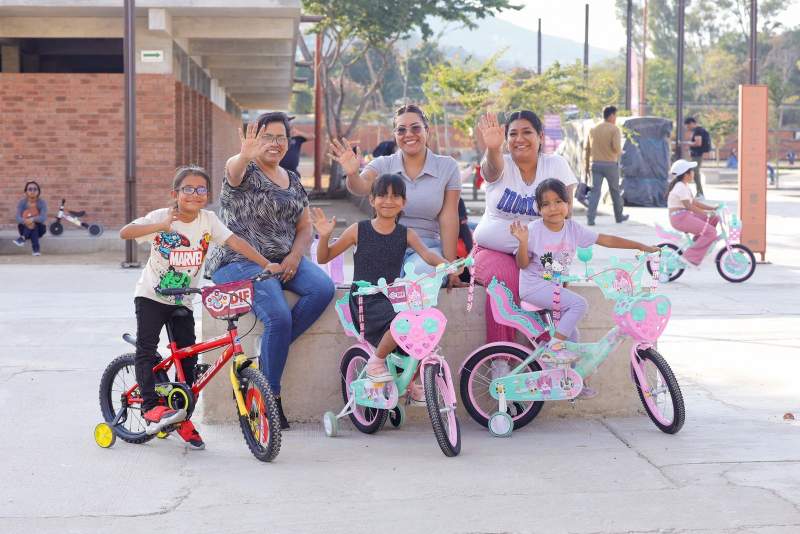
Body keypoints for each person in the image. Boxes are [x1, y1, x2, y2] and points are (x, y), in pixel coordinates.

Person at [120, 165, 280, 448]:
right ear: (175, 193)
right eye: (188, 189)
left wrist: (266, 264)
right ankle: (149, 406)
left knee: (188, 360)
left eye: (201, 189)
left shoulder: (208, 220)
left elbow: (235, 241)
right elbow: (126, 232)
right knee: (146, 348)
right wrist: (159, 226)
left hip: (183, 298)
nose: (195, 194)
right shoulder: (162, 217)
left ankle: (182, 419)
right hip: (152, 296)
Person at [206, 111, 335, 430]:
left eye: (281, 137)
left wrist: (294, 257)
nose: (275, 144)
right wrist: (243, 154)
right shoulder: (242, 170)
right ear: (254, 140)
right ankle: (269, 399)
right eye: (268, 136)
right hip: (238, 262)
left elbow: (305, 226)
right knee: (278, 315)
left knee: (323, 289)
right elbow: (232, 170)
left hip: (283, 259)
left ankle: (270, 345)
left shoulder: (292, 178)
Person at [511, 178, 658, 398]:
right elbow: (521, 264)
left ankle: (570, 383)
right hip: (534, 288)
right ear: (539, 209)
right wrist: (522, 242)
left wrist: (640, 245)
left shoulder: (573, 229)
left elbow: (605, 239)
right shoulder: (533, 230)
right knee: (579, 304)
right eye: (546, 204)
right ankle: (553, 348)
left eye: (558, 201)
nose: (553, 208)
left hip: (553, 289)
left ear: (568, 204)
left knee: (573, 336)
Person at [311, 174, 449, 389]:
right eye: (382, 195)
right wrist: (325, 236)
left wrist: (446, 265)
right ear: (371, 199)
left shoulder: (407, 234)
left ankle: (409, 382)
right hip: (365, 300)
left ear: (404, 202)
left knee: (420, 329)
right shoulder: (358, 230)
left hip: (393, 299)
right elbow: (323, 257)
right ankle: (377, 361)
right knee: (403, 321)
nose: (388, 201)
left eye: (395, 196)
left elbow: (427, 254)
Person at [470, 110, 578, 344]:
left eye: (527, 132)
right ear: (506, 140)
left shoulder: (556, 165)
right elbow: (491, 171)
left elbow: (567, 216)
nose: (520, 139)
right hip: (491, 250)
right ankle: (501, 360)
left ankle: (552, 359)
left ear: (540, 136)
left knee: (551, 286)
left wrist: (561, 265)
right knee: (505, 280)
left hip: (543, 252)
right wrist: (492, 148)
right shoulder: (500, 162)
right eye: (513, 134)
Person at [329, 104, 463, 288]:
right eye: (401, 130)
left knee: (417, 279)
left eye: (415, 127)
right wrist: (352, 173)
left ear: (427, 131)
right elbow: (360, 186)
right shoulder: (383, 164)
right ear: (394, 135)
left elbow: (449, 217)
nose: (408, 134)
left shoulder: (447, 166)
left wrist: (450, 266)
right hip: (385, 245)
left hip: (426, 250)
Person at [667, 159, 720, 266]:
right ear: (685, 174)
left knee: (715, 218)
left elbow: (694, 203)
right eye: (691, 171)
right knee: (711, 232)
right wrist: (706, 213)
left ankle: (698, 241)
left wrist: (712, 208)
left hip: (684, 216)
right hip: (680, 218)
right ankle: (689, 256)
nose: (693, 173)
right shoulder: (680, 187)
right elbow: (689, 206)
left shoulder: (684, 186)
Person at [585, 105, 628, 226]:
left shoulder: (593, 129)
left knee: (595, 192)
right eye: (616, 116)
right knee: (615, 191)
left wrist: (587, 166)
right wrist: (620, 152)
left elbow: (587, 149)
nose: (616, 118)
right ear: (612, 115)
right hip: (610, 165)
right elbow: (616, 148)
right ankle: (619, 217)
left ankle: (590, 218)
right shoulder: (614, 129)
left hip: (595, 164)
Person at [13, 181, 47, 256]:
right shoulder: (22, 203)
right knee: (32, 226)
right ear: (26, 192)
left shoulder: (42, 203)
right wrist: (26, 221)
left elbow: (43, 218)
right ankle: (36, 250)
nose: (32, 191)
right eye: (30, 189)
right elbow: (18, 217)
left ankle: (22, 238)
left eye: (35, 189)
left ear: (38, 192)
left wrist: (32, 219)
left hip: (40, 229)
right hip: (24, 228)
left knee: (34, 225)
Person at [681, 117, 711, 198]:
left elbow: (698, 143)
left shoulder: (698, 131)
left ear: (692, 123)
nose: (688, 128)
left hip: (697, 155)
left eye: (688, 126)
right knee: (695, 173)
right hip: (697, 155)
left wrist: (686, 143)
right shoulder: (700, 130)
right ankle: (699, 193)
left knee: (695, 173)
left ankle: (700, 193)